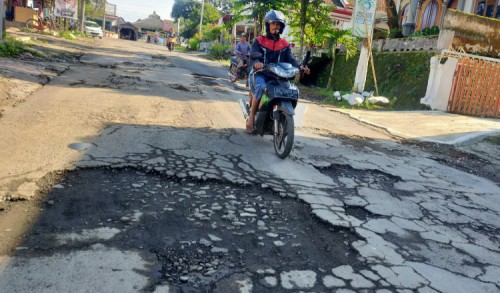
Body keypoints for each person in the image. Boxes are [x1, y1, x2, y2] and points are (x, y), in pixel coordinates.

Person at [246, 10, 310, 133]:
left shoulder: (284, 44)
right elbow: (253, 55)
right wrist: (257, 63)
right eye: (273, 24)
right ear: (268, 25)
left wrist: (301, 67)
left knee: (290, 90)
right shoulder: (259, 40)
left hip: (278, 77)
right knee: (260, 87)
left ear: (281, 27)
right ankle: (251, 117)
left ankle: (280, 116)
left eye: (278, 24)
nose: (276, 26)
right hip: (262, 74)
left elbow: (291, 60)